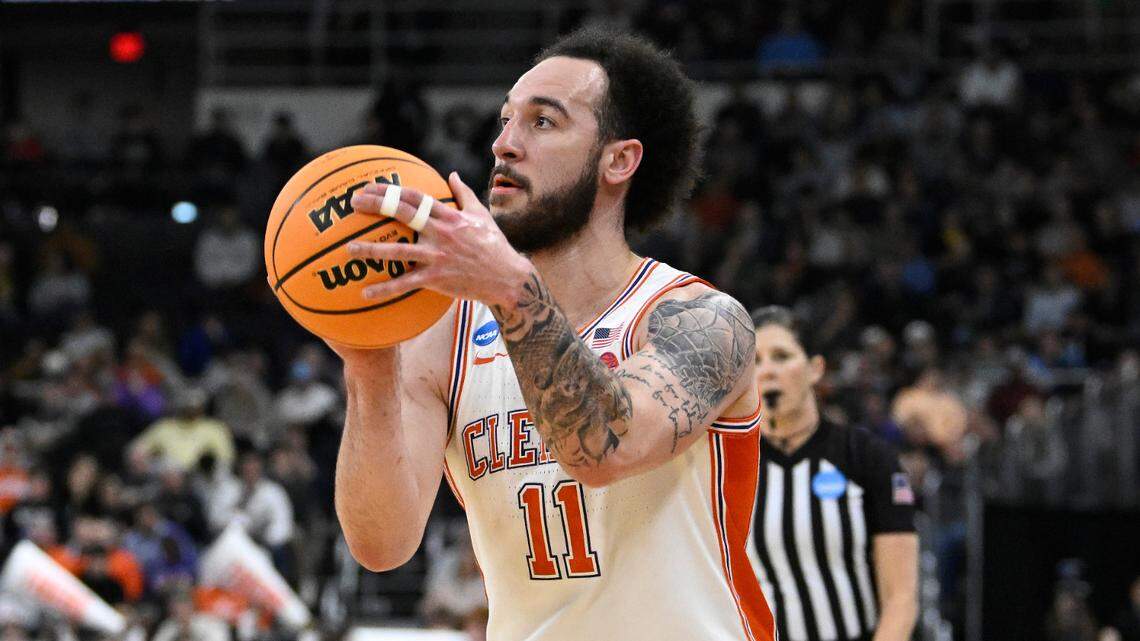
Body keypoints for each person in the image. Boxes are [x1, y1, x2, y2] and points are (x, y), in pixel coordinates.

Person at [330, 27, 773, 641]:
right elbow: (381, 544)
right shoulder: (444, 338)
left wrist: (511, 290)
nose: (504, 145)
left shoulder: (699, 319)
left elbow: (606, 449)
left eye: (543, 122)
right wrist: (371, 363)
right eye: (505, 121)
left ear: (619, 159)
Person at [748, 306, 917, 641]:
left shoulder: (865, 455)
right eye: (754, 361)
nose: (767, 372)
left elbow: (901, 596)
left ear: (815, 369)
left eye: (781, 357)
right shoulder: (727, 467)